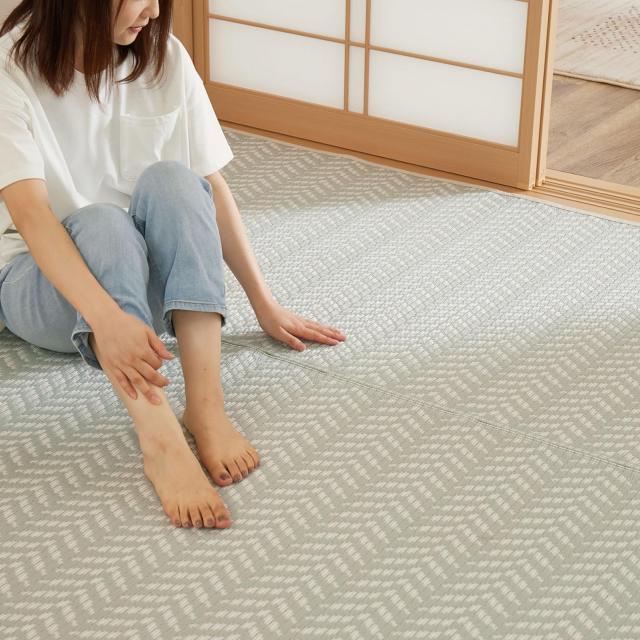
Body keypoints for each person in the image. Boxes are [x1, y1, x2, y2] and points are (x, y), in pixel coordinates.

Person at [0, 0, 347, 530]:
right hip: (46, 285)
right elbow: (31, 216)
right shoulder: (9, 67)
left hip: (136, 290)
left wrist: (264, 303)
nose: (153, 10)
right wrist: (107, 319)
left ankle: (206, 408)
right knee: (103, 221)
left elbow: (209, 186)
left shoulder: (162, 55)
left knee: (177, 180)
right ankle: (159, 439)